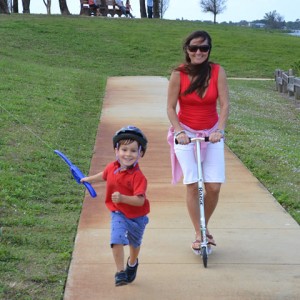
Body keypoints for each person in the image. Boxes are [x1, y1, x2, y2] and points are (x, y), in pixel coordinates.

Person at [167, 30, 229, 255]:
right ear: (187, 50)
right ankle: (199, 233)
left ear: (209, 50)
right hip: (186, 133)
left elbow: (225, 105)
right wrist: (179, 131)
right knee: (193, 184)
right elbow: (170, 108)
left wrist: (220, 130)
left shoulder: (217, 72)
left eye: (203, 48)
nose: (198, 52)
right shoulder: (178, 74)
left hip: (212, 133)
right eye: (194, 48)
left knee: (213, 186)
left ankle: (205, 226)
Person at [81, 126, 150, 286]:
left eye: (133, 151)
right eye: (124, 149)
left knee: (135, 243)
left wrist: (123, 198)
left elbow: (140, 201)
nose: (128, 154)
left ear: (141, 153)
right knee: (116, 239)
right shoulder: (112, 167)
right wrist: (88, 179)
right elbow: (104, 175)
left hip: (137, 216)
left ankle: (132, 263)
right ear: (116, 150)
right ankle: (120, 272)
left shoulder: (139, 177)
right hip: (118, 212)